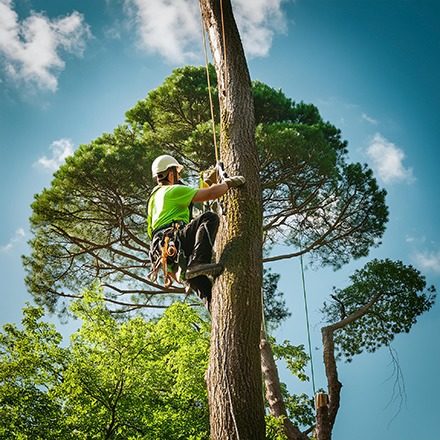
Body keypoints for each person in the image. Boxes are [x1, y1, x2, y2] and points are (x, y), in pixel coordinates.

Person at [147, 154, 245, 303]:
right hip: (175, 239)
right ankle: (198, 261)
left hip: (163, 251)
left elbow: (151, 231)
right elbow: (211, 194)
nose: (179, 177)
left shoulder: (153, 200)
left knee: (204, 288)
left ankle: (215, 313)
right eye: (177, 173)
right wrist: (228, 184)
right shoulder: (174, 190)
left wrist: (175, 271)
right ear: (171, 173)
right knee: (209, 218)